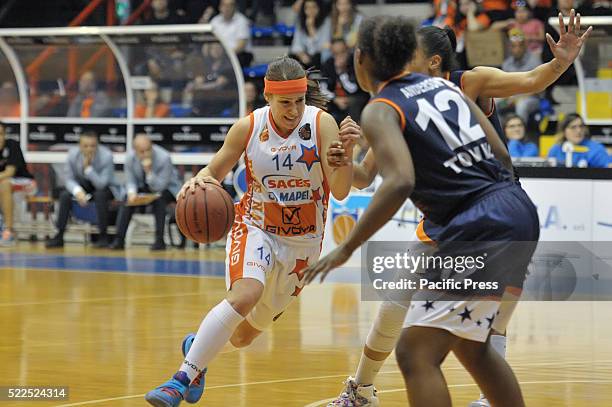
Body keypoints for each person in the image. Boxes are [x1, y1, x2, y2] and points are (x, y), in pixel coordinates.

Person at [322, 10, 591, 407]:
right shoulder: (407, 101)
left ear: (432, 61)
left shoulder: (464, 83)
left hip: (475, 218)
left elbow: (532, 81)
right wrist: (345, 157)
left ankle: (484, 399)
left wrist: (560, 62)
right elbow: (364, 178)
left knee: (439, 345)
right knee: (409, 314)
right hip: (468, 218)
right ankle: (361, 390)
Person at [144, 56, 356, 407]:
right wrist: (194, 183)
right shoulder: (248, 127)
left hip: (302, 247)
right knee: (245, 294)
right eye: (285, 102)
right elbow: (213, 170)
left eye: (299, 100)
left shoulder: (322, 124)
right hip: (255, 226)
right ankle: (180, 379)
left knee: (243, 337)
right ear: (268, 97)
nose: (293, 109)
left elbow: (342, 189)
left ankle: (198, 348)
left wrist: (346, 155)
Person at [46, 132, 121, 248]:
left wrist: (88, 169)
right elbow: (68, 179)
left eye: (93, 146)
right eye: (86, 146)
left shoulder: (106, 156)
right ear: (80, 146)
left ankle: (103, 237)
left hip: (104, 187)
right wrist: (77, 191)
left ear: (97, 145)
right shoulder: (72, 155)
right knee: (65, 195)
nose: (89, 149)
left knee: (100, 195)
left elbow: (102, 184)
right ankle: (59, 236)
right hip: (83, 185)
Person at [110, 135, 182, 251]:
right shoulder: (130, 158)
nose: (145, 154)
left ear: (152, 146)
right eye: (141, 151)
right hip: (142, 187)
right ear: (135, 151)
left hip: (166, 188)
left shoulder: (164, 157)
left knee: (159, 200)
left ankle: (159, 241)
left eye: (148, 149)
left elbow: (159, 186)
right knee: (127, 200)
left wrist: (149, 172)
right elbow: (130, 180)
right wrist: (132, 193)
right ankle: (119, 240)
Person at [0, 122, 36, 246]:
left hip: (26, 183)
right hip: (5, 185)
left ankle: (9, 231)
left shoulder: (12, 145)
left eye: (0, 134)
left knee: (4, 184)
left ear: (5, 135)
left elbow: (9, 172)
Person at [500, 28, 542, 123]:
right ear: (510, 47)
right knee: (494, 102)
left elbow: (539, 87)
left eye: (519, 46)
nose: (517, 49)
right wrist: (507, 98)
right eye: (513, 46)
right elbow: (503, 85)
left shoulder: (534, 61)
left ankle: (519, 134)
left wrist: (518, 98)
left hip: (531, 98)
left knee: (522, 105)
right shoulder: (507, 64)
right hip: (511, 96)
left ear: (525, 46)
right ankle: (499, 135)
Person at [209, 0, 253, 68]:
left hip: (238, 54)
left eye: (230, 5)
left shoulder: (242, 21)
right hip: (219, 54)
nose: (227, 8)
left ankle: (223, 77)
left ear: (235, 7)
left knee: (230, 61)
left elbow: (241, 46)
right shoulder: (214, 21)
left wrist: (224, 55)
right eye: (224, 5)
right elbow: (211, 41)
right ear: (220, 7)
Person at [290, 0, 332, 68]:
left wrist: (311, 28)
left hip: (318, 56)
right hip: (305, 56)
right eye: (307, 8)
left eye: (314, 7)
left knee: (320, 56)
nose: (311, 10)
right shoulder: (301, 22)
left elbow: (323, 45)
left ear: (319, 8)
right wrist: (301, 54)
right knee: (292, 58)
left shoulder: (326, 22)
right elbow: (296, 44)